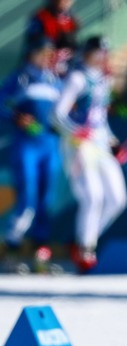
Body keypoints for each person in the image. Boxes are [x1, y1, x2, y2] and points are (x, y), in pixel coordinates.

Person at [52, 36, 127, 272]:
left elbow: (100, 120)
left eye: (105, 51)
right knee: (93, 196)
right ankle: (85, 249)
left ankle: (84, 242)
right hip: (78, 146)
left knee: (117, 199)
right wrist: (75, 131)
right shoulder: (77, 78)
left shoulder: (103, 80)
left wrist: (114, 142)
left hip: (100, 145)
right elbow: (56, 115)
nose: (103, 56)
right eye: (99, 51)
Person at [0, 36, 62, 272]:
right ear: (31, 53)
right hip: (26, 146)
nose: (47, 57)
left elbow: (68, 111)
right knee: (28, 198)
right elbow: (1, 104)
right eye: (42, 52)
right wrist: (17, 117)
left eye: (49, 53)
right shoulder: (20, 77)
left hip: (50, 146)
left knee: (47, 201)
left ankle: (41, 255)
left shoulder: (56, 80)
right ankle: (12, 248)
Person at [25, 0, 81, 77]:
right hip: (42, 72)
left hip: (67, 72)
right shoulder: (40, 18)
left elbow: (76, 50)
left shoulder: (73, 19)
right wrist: (54, 56)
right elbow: (33, 51)